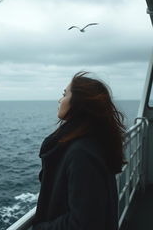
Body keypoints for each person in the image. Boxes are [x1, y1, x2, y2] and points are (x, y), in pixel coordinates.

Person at [32, 71, 127, 230]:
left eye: (64, 94)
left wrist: (40, 228)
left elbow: (83, 223)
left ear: (79, 102)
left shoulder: (81, 153)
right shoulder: (94, 140)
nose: (59, 100)